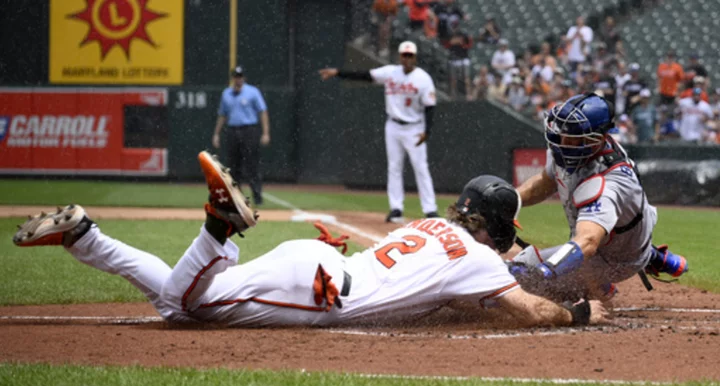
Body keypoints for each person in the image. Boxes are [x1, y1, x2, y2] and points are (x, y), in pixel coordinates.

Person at [12, 152, 608, 329]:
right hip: (321, 292)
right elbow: (528, 310)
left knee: (176, 297)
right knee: (190, 304)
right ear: (498, 229)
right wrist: (579, 312)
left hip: (315, 263)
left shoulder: (426, 227)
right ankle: (218, 228)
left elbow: (441, 291)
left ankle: (86, 237)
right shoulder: (477, 259)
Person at [510, 93, 688, 303]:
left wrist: (545, 271)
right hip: (623, 235)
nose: (563, 141)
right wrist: (511, 200)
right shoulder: (574, 150)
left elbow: (588, 241)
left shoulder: (608, 183)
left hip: (614, 259)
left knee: (519, 274)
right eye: (563, 133)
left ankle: (596, 284)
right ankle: (652, 257)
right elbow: (546, 181)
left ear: (598, 138)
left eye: (574, 136)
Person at [318, 41, 439, 223]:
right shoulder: (391, 72)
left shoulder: (423, 78)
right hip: (393, 125)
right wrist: (338, 72)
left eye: (410, 55)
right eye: (404, 55)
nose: (407, 58)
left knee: (421, 168)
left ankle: (430, 210)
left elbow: (430, 107)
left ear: (415, 57)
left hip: (415, 127)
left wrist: (427, 131)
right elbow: (365, 75)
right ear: (400, 56)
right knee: (394, 167)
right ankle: (396, 207)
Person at [212, 66, 270, 206]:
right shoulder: (226, 93)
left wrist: (266, 132)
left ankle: (257, 198)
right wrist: (216, 133)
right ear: (233, 78)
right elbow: (222, 115)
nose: (238, 79)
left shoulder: (252, 92)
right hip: (233, 130)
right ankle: (236, 198)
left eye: (240, 76)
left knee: (252, 165)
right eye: (236, 76)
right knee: (233, 166)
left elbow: (263, 112)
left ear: (244, 78)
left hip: (249, 130)